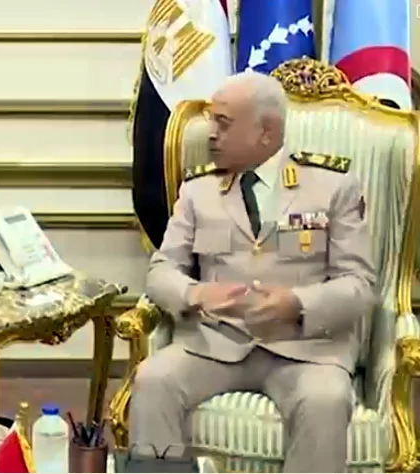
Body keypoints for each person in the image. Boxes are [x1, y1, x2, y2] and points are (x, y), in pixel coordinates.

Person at [130, 71, 375, 472]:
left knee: (325, 400)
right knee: (153, 379)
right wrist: (193, 294)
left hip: (305, 350)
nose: (211, 134)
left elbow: (359, 285)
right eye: (211, 121)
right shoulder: (198, 190)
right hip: (215, 343)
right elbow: (162, 269)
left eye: (223, 123)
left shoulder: (332, 187)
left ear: (266, 132)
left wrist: (297, 303)